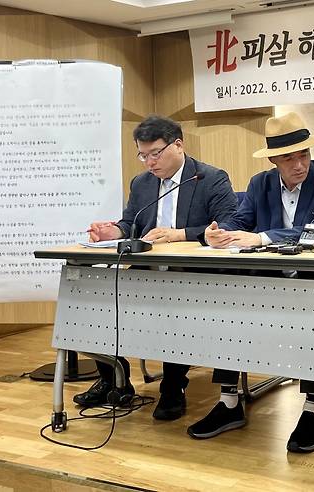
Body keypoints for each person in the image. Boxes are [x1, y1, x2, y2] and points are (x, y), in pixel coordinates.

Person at [186, 111, 314, 453]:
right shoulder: (261, 183)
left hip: (313, 280)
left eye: (304, 154)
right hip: (264, 281)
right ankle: (229, 402)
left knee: (311, 314)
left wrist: (259, 239)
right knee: (226, 304)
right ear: (274, 159)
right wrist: (219, 234)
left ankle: (313, 411)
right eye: (289, 157)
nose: (299, 164)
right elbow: (239, 221)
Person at [74, 115, 239, 421]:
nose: (149, 162)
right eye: (143, 155)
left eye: (155, 153)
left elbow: (230, 224)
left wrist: (180, 234)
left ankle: (173, 387)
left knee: (170, 309)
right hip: (146, 269)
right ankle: (114, 379)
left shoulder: (210, 178)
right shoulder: (141, 183)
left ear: (178, 145)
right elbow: (131, 222)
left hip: (192, 275)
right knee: (96, 299)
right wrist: (114, 232)